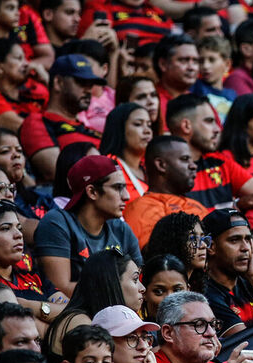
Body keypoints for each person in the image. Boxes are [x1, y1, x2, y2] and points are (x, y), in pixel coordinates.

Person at [33, 155, 142, 296]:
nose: (126, 196)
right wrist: (120, 289)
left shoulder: (121, 229)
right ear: (92, 192)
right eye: (118, 188)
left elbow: (137, 285)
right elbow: (59, 289)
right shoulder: (57, 223)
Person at [165, 93, 253, 211]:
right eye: (209, 121)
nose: (217, 129)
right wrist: (235, 205)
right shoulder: (166, 171)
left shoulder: (220, 162)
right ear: (186, 126)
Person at [199, 208, 253, 336]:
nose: (245, 248)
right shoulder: (205, 293)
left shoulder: (251, 283)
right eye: (234, 240)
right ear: (211, 246)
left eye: (247, 240)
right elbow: (246, 342)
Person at [19, 54, 103, 183]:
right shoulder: (38, 121)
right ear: (58, 83)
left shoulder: (88, 129)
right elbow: (55, 171)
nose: (88, 90)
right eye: (81, 82)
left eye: (91, 84)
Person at [122, 135, 209, 246]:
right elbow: (156, 255)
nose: (193, 166)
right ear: (161, 165)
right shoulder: (141, 207)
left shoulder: (197, 205)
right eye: (185, 159)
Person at [97, 102, 151, 203]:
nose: (147, 131)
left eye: (149, 125)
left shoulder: (150, 166)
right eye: (138, 124)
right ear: (120, 129)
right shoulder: (109, 166)